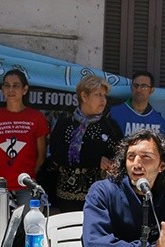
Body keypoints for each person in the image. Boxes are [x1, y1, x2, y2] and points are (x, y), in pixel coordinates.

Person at [83, 129, 165, 247]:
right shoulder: (102, 191)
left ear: (162, 166)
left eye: (146, 157)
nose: (136, 164)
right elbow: (94, 246)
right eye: (131, 157)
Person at [49, 74, 123, 212]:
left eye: (104, 95)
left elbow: (121, 155)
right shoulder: (65, 125)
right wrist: (95, 160)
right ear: (84, 97)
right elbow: (57, 156)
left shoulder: (111, 126)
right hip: (68, 199)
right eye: (98, 95)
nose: (103, 100)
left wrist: (113, 164)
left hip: (101, 199)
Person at [0, 69, 49, 206]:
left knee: (27, 225)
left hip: (26, 185)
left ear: (24, 90)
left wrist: (28, 174)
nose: (10, 89)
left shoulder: (37, 118)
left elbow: (41, 156)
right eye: (7, 85)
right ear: (2, 89)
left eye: (15, 85)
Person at [107, 70, 165, 138]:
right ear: (131, 87)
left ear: (151, 90)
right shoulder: (114, 113)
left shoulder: (159, 121)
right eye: (135, 85)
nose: (138, 90)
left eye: (143, 86)